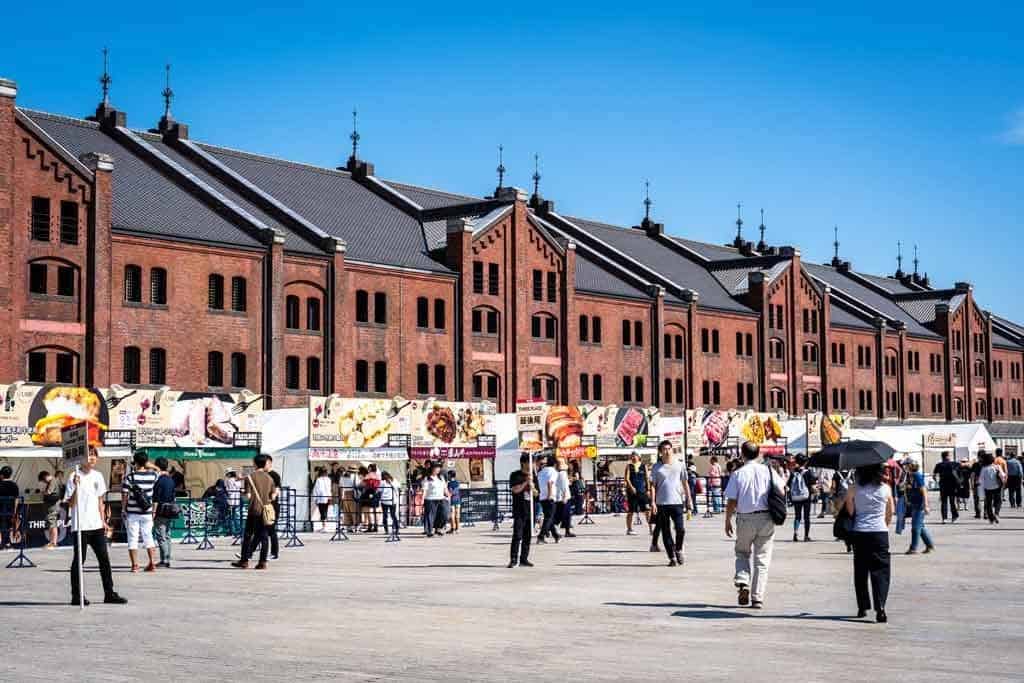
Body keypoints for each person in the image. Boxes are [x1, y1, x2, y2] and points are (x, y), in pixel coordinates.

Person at [724, 441, 782, 608]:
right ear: (758, 454)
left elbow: (731, 500)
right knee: (762, 559)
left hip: (745, 518)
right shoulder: (768, 471)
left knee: (742, 553)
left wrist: (727, 520)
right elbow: (782, 489)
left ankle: (743, 582)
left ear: (742, 454)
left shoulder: (738, 474)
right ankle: (757, 598)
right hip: (766, 518)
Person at [65, 447, 126, 606]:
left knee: (104, 559)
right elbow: (70, 503)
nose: (92, 458)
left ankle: (109, 593)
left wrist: (103, 520)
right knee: (79, 560)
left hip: (96, 525)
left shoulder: (98, 475)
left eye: (94, 456)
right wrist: (76, 487)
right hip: (80, 525)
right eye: (89, 455)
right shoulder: (73, 476)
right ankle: (77, 595)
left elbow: (100, 501)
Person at [845, 463, 894, 623]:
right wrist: (884, 525)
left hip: (860, 532)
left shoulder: (853, 488)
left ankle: (862, 606)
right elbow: (890, 511)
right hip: (880, 533)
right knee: (881, 571)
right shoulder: (885, 488)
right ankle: (881, 608)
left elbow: (851, 511)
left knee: (861, 570)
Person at [232, 454, 277, 570]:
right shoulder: (270, 478)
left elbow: (248, 496)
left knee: (248, 535)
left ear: (255, 464)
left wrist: (243, 493)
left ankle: (244, 561)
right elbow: (273, 496)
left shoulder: (250, 477)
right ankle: (262, 562)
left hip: (253, 510)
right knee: (264, 536)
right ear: (265, 464)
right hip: (265, 510)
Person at [651, 440, 689, 567]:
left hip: (677, 502)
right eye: (664, 449)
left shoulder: (680, 465)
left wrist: (689, 500)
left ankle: (678, 549)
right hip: (662, 503)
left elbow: (685, 483)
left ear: (672, 450)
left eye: (669, 449)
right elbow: (653, 486)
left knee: (680, 529)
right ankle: (672, 557)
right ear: (660, 452)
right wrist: (653, 502)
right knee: (666, 531)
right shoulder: (656, 467)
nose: (667, 452)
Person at [121, 451, 159, 573]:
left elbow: (125, 495)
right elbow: (159, 470)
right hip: (147, 512)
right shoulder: (153, 476)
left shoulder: (130, 477)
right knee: (148, 537)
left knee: (132, 538)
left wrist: (123, 509)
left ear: (135, 462)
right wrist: (150, 465)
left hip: (132, 512)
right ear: (146, 462)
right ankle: (152, 563)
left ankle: (135, 565)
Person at [508, 454, 534, 568]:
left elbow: (537, 494)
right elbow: (515, 490)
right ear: (523, 463)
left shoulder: (533, 475)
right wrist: (525, 483)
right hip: (519, 509)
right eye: (530, 462)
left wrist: (533, 487)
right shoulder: (515, 475)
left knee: (528, 536)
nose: (532, 465)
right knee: (517, 535)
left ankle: (524, 558)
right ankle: (514, 559)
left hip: (530, 509)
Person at [905, 460, 934, 554]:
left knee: (915, 527)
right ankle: (930, 545)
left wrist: (926, 505)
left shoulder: (917, 475)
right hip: (914, 504)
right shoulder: (909, 476)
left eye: (906, 465)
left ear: (911, 466)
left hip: (920, 505)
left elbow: (924, 490)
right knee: (920, 527)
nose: (905, 467)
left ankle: (913, 548)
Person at [151, 457, 176, 568]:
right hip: (170, 509)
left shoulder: (159, 480)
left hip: (161, 510)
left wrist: (153, 511)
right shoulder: (171, 480)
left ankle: (164, 560)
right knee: (167, 534)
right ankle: (167, 558)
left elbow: (156, 498)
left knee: (161, 535)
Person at [787, 455, 816, 542]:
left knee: (797, 516)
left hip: (796, 497)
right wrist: (815, 491)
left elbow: (788, 485)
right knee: (806, 517)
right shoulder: (808, 472)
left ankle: (795, 533)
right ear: (805, 462)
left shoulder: (793, 472)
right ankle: (806, 536)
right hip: (806, 497)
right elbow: (813, 487)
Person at [624, 452, 650, 536]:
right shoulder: (629, 466)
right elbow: (627, 478)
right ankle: (629, 529)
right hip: (632, 492)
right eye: (632, 456)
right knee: (631, 511)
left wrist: (648, 489)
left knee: (647, 510)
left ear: (639, 457)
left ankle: (651, 529)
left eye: (635, 456)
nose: (633, 458)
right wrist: (631, 487)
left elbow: (647, 478)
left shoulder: (643, 466)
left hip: (642, 491)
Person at [537, 455, 561, 543]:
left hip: (542, 496)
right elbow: (550, 482)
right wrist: (550, 495)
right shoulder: (553, 471)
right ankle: (541, 536)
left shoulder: (541, 471)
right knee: (549, 517)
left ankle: (556, 535)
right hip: (549, 496)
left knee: (548, 517)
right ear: (554, 464)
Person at [932, 451, 962, 523]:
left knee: (944, 502)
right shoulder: (954, 464)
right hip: (952, 486)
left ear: (942, 457)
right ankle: (954, 516)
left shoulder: (939, 465)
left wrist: (937, 481)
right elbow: (961, 468)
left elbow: (934, 476)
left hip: (943, 485)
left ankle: (944, 518)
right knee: (952, 502)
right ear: (948, 456)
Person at [421, 463, 448, 538]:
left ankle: (438, 528)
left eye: (439, 468)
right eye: (436, 468)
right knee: (430, 516)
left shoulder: (441, 477)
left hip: (441, 498)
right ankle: (429, 531)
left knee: (444, 514)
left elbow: (445, 488)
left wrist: (447, 494)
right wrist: (422, 499)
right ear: (432, 469)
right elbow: (424, 490)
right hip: (430, 499)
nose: (438, 469)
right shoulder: (427, 478)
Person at [38, 470, 62, 549]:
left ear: (45, 476)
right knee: (51, 523)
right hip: (52, 506)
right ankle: (52, 542)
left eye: (43, 480)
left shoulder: (52, 481)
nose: (44, 482)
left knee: (52, 524)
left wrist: (42, 492)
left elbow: (48, 492)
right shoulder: (54, 481)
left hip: (52, 506)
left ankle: (53, 543)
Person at [980, 452, 1005, 524]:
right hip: (997, 486)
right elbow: (1002, 475)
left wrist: (981, 491)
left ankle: (991, 518)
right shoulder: (997, 467)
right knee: (998, 501)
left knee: (988, 503)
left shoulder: (984, 469)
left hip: (987, 488)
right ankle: (996, 513)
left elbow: (981, 480)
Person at [266, 455, 282, 559]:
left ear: (270, 463)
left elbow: (277, 489)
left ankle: (274, 553)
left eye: (266, 463)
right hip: (264, 505)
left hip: (272, 506)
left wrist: (273, 496)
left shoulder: (274, 475)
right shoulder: (262, 474)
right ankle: (248, 553)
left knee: (271, 530)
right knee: (260, 531)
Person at [555, 458, 575, 538]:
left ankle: (551, 529)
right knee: (565, 515)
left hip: (558, 496)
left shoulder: (556, 473)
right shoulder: (563, 473)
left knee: (559, 515)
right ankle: (567, 531)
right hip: (564, 496)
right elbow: (564, 486)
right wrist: (564, 496)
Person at [380, 471, 400, 538]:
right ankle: (395, 529)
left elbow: (379, 491)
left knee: (387, 515)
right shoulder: (393, 480)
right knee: (392, 515)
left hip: (387, 500)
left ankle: (389, 529)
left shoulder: (385, 482)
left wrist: (390, 483)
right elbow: (398, 487)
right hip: (390, 500)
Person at [312, 467, 333, 532]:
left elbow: (317, 489)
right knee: (325, 511)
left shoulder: (319, 479)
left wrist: (315, 498)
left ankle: (324, 527)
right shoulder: (328, 479)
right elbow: (329, 488)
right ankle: (324, 526)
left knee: (322, 512)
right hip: (328, 497)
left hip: (321, 497)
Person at [447, 470, 462, 534]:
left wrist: (448, 495)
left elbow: (450, 492)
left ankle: (453, 529)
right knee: (457, 514)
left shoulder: (449, 483)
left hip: (452, 500)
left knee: (452, 514)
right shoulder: (457, 482)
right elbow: (457, 491)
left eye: (448, 475)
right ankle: (457, 529)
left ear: (450, 475)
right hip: (458, 500)